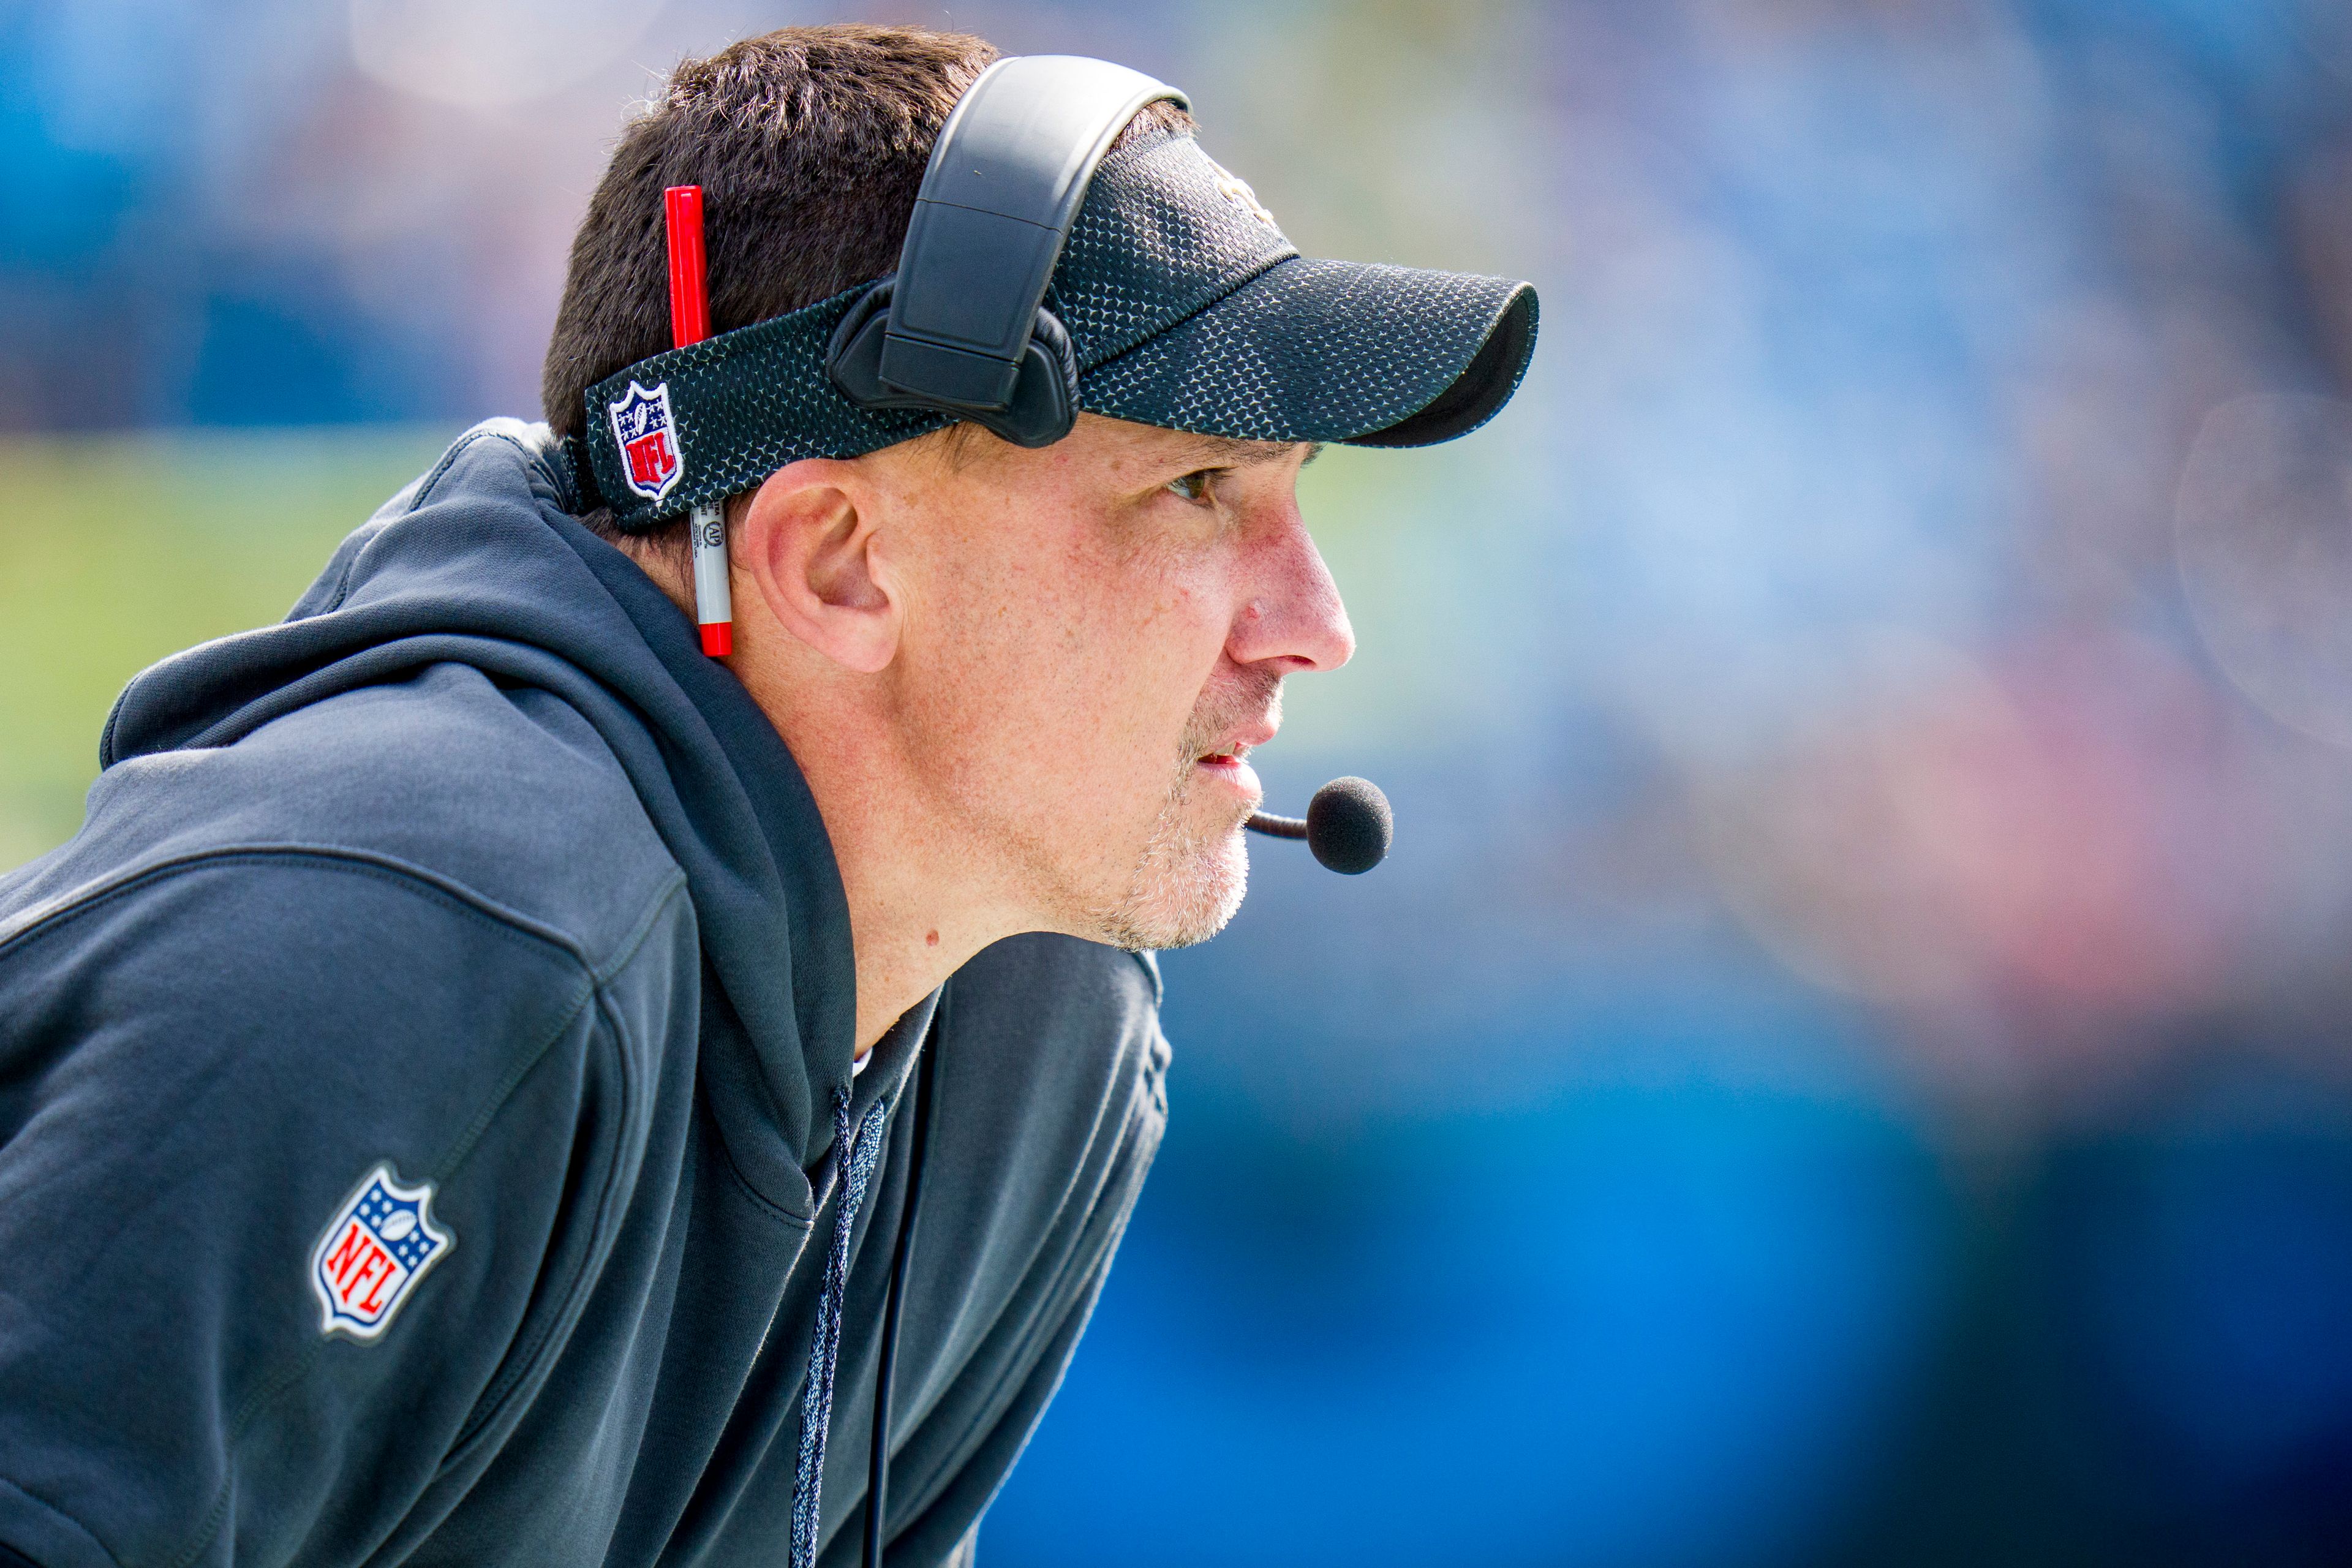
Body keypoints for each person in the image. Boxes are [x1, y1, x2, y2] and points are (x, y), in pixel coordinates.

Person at [0, 23, 1534, 1568]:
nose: (1317, 623)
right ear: (837, 563)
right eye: (1197, 487)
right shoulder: (405, 954)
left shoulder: (1044, 1032)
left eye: (1294, 494)